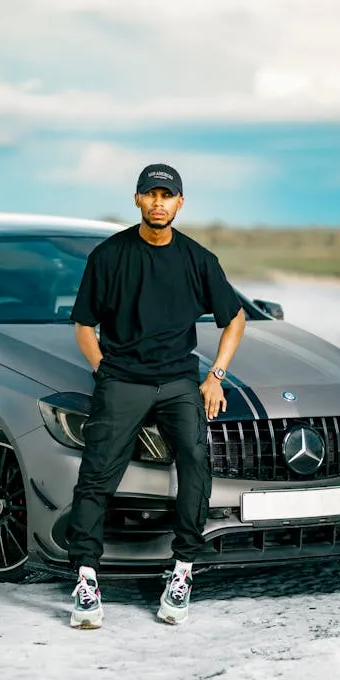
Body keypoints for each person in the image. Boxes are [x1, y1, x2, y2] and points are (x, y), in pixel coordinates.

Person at [66, 163, 245, 628]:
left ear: (180, 203)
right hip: (122, 380)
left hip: (180, 382)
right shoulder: (108, 257)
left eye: (168, 196)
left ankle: (183, 571)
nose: (159, 203)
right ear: (138, 200)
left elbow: (235, 317)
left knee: (195, 460)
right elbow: (84, 325)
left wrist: (217, 376)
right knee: (98, 474)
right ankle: (86, 580)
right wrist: (104, 371)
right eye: (152, 195)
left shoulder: (198, 259)